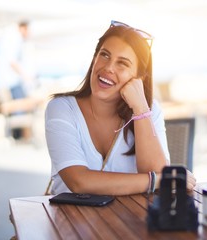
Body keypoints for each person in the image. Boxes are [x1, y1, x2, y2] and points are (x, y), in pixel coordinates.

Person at [45, 20, 196, 196]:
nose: (108, 68)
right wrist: (157, 180)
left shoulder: (150, 110)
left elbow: (157, 170)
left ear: (139, 76)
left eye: (122, 63)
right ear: (94, 59)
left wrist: (140, 109)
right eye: (105, 55)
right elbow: (79, 181)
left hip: (128, 220)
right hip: (70, 220)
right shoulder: (62, 109)